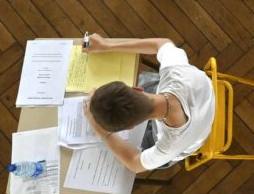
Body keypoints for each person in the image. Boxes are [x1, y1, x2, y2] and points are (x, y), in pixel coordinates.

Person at [83, 34, 214, 172]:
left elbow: (135, 164)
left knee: (150, 155)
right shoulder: (175, 72)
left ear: (131, 127)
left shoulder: (168, 144)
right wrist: (107, 46)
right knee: (146, 79)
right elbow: (163, 42)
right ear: (137, 88)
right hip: (206, 94)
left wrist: (102, 132)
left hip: (197, 134)